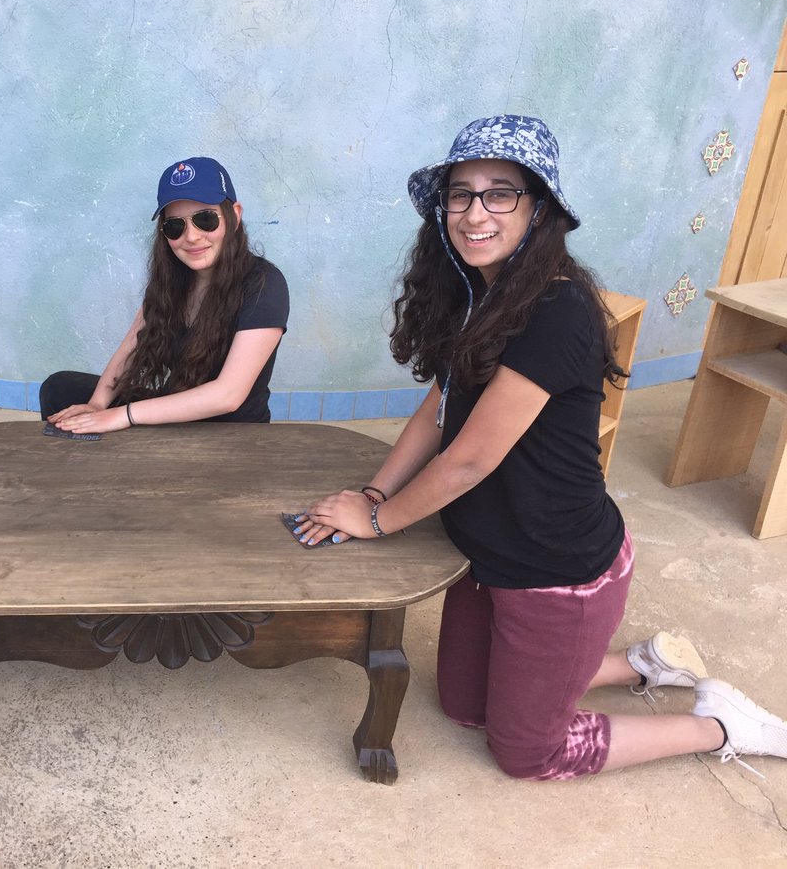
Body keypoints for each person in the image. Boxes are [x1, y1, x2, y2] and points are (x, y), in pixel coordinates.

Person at [293, 115, 787, 779]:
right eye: (460, 193)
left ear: (539, 209)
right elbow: (437, 413)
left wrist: (379, 521)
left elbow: (469, 459)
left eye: (500, 192)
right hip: (486, 557)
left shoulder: (556, 312)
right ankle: (644, 666)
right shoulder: (473, 293)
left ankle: (720, 722)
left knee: (527, 751)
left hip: (558, 571)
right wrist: (375, 490)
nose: (474, 212)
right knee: (463, 708)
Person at [40, 157, 289, 432]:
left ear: (235, 216)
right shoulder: (171, 282)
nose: (192, 237)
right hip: (175, 417)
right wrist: (98, 404)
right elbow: (131, 348)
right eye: (175, 226)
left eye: (205, 219)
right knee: (59, 388)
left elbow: (228, 395)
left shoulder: (264, 283)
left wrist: (124, 415)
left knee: (120, 418)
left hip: (230, 433)